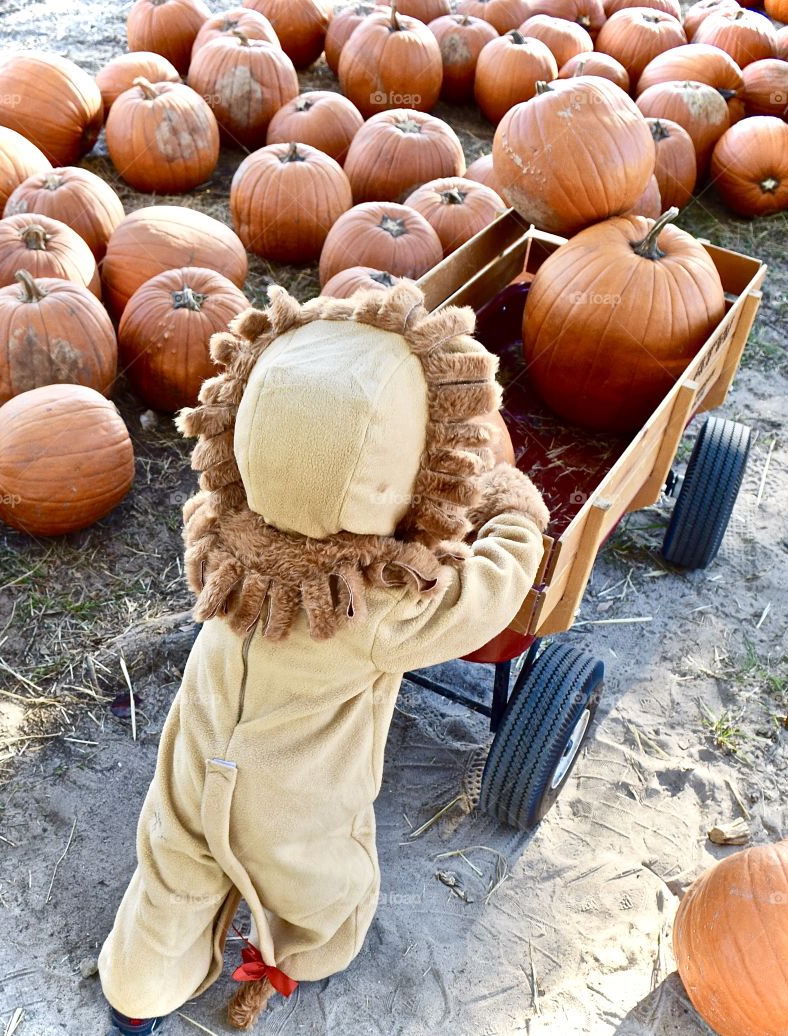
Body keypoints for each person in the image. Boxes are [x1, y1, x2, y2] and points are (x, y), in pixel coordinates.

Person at [99, 284, 549, 1033]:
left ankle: (136, 996)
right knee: (319, 881)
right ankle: (297, 958)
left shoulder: (219, 529)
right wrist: (514, 517)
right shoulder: (375, 603)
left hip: (192, 759)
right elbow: (484, 597)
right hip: (291, 800)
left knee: (173, 874)